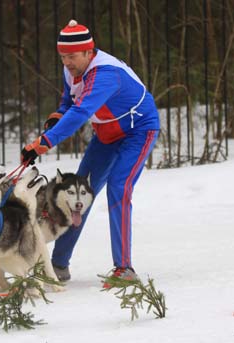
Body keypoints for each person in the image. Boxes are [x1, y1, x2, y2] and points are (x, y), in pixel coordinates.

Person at [21, 19, 160, 285]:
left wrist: (44, 142)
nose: (67, 62)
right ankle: (58, 264)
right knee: (77, 191)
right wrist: (56, 117)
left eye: (72, 56)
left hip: (138, 130)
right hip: (107, 134)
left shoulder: (106, 73)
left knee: (118, 187)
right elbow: (69, 102)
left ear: (89, 51)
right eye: (63, 57)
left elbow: (82, 112)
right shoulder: (71, 70)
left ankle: (124, 269)